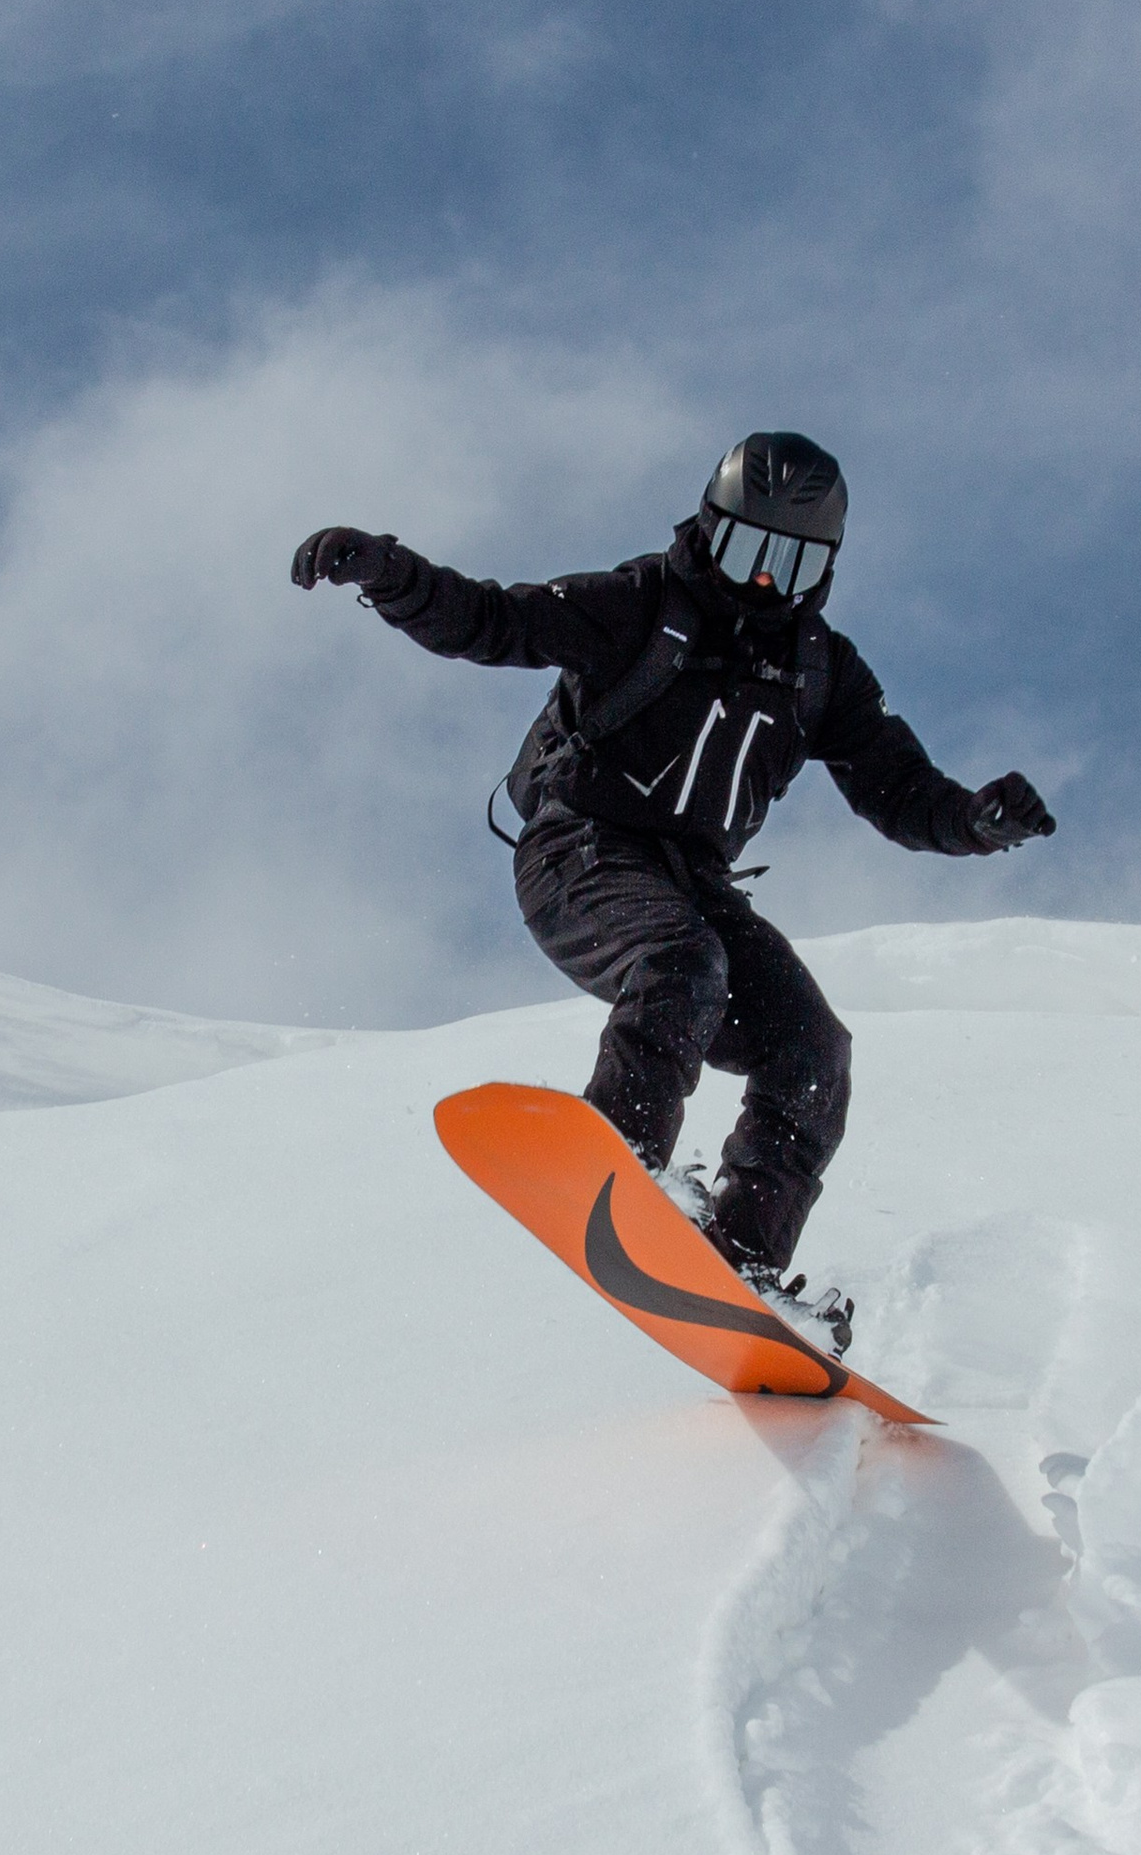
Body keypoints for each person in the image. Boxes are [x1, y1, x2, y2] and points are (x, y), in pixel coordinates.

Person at [291, 431, 1054, 1336]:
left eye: (791, 560)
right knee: (679, 963)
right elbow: (495, 619)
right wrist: (389, 572)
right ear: (708, 526)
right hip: (580, 850)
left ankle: (737, 1262)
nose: (763, 581)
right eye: (746, 549)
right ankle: (615, 1160)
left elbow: (898, 789)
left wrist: (973, 820)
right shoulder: (642, 603)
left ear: (825, 567)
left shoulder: (821, 672)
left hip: (694, 883)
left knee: (813, 1053)